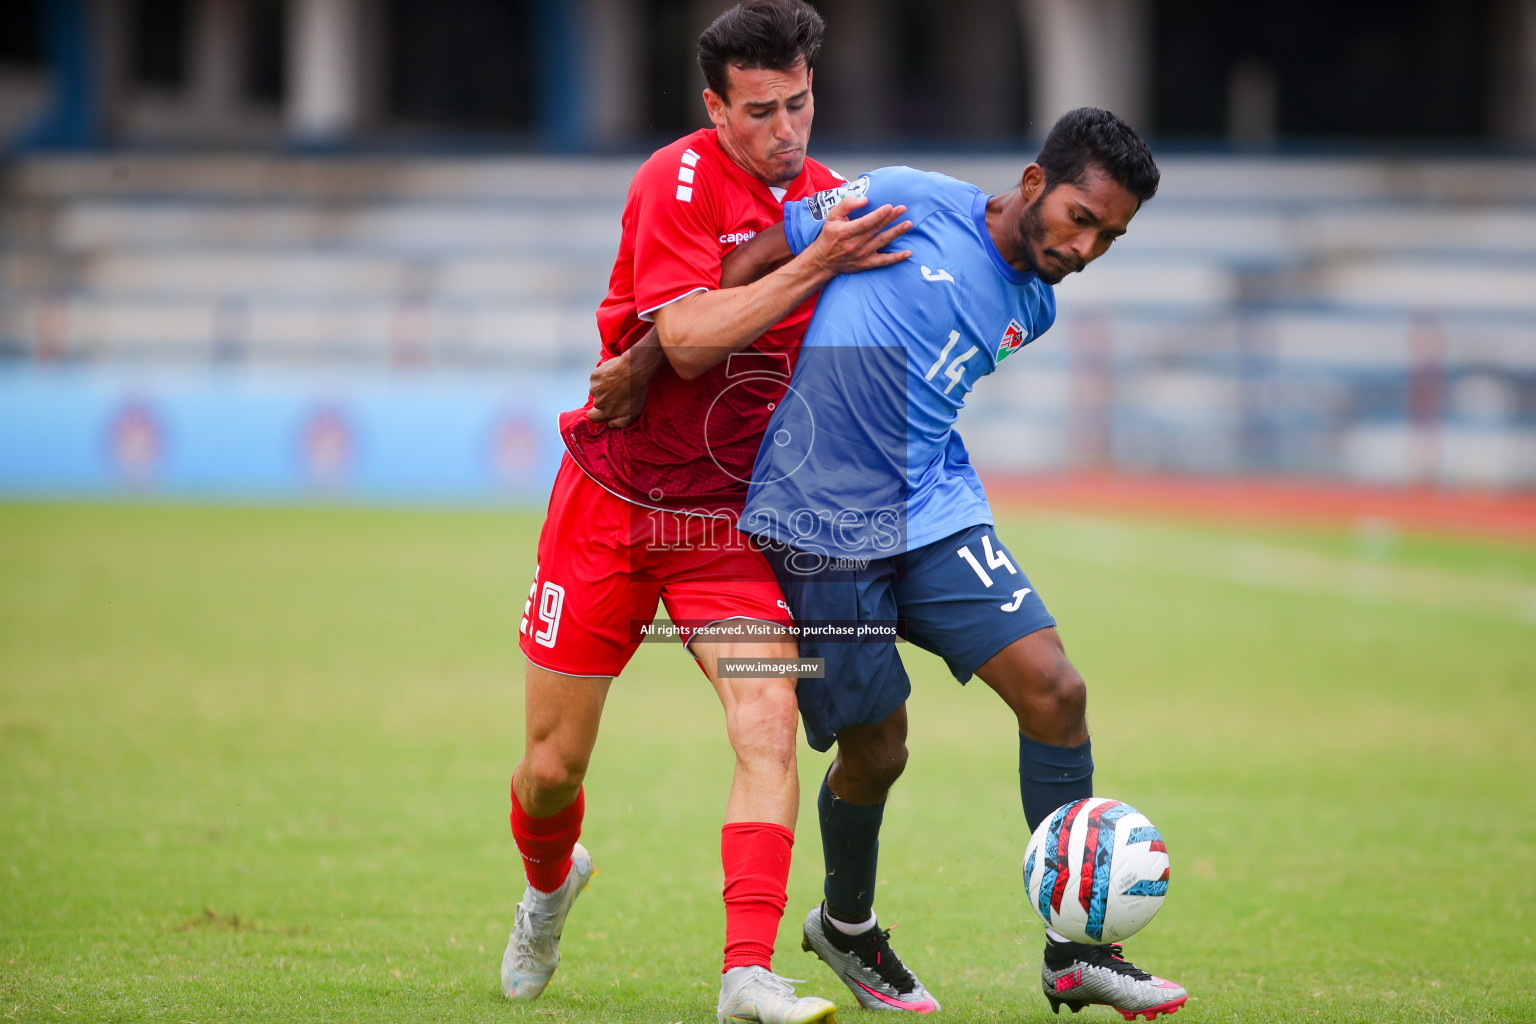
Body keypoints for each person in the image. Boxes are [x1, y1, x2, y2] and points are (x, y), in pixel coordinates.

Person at [730, 108, 1189, 1020]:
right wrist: (785, 290)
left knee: (1056, 692)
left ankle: (1077, 953)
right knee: (881, 748)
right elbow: (748, 267)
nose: (1088, 247)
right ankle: (846, 930)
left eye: (1111, 236)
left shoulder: (1036, 306)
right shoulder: (903, 201)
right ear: (1032, 182)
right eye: (1080, 218)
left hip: (934, 513)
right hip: (819, 520)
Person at [501, 4, 912, 1023]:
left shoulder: (833, 201)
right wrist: (814, 263)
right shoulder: (674, 180)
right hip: (611, 505)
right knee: (552, 769)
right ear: (715, 110)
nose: (788, 129)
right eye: (762, 110)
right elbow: (683, 338)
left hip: (724, 527)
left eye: (801, 103)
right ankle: (550, 884)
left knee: (769, 725)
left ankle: (745, 972)